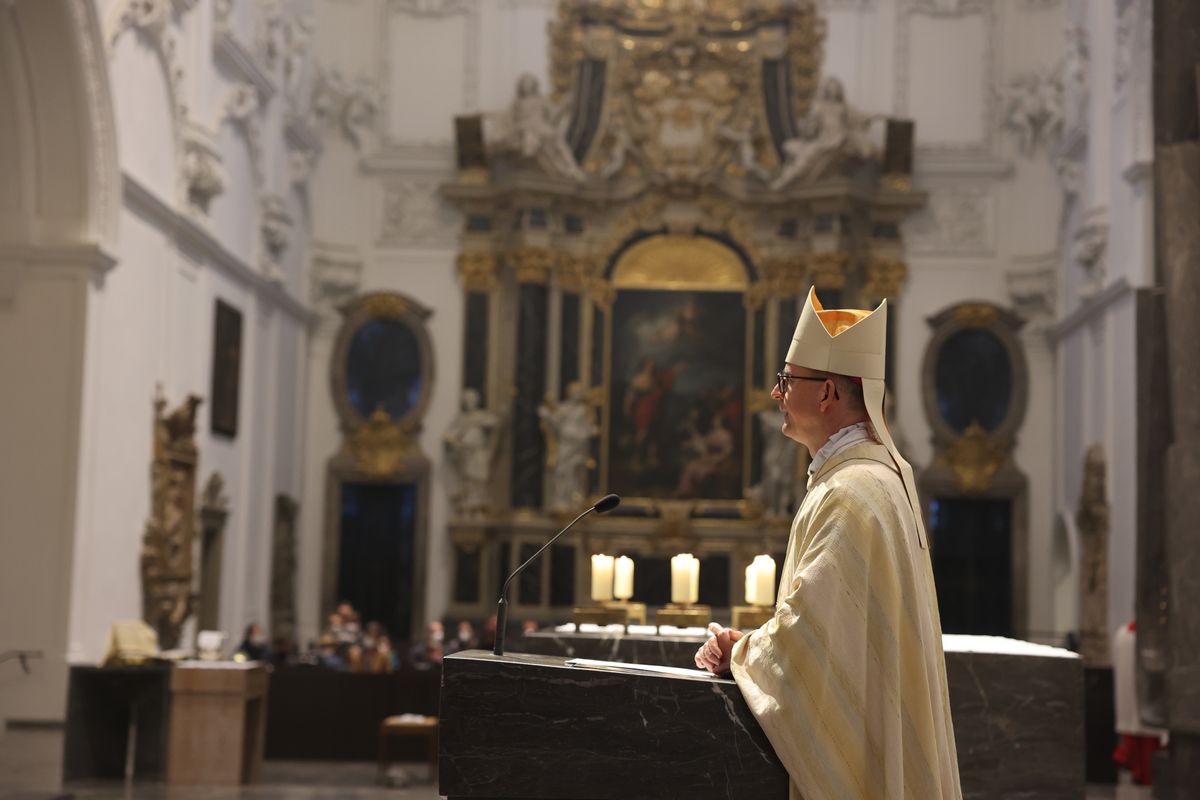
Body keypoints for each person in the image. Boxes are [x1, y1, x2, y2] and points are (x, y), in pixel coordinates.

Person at [695, 288, 961, 799]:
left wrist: (740, 652)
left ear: (826, 394)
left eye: (786, 381)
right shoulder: (871, 479)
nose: (775, 394)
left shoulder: (850, 492)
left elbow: (811, 636)